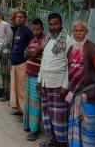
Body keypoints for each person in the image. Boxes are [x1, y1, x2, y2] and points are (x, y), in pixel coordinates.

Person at [66, 20, 95, 147]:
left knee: (88, 130)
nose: (78, 33)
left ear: (86, 32)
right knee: (75, 129)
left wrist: (92, 86)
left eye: (81, 30)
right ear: (72, 32)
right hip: (75, 96)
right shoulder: (71, 49)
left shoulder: (92, 49)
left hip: (88, 97)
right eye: (76, 31)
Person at [37, 13, 72, 147]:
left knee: (59, 117)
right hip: (46, 83)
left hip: (58, 85)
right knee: (48, 115)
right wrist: (40, 80)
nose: (53, 27)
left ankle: (61, 143)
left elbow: (70, 65)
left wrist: (65, 86)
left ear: (61, 24)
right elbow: (44, 61)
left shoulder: (68, 41)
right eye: (50, 24)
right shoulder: (48, 39)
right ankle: (53, 141)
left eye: (55, 24)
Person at [23, 18, 46, 141]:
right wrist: (30, 53)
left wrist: (30, 53)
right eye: (33, 29)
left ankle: (34, 130)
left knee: (35, 104)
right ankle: (27, 125)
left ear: (42, 29)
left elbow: (31, 54)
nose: (35, 31)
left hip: (37, 77)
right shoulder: (33, 40)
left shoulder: (44, 41)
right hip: (29, 74)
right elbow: (25, 53)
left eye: (38, 29)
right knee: (28, 101)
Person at [10, 10, 33, 115]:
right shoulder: (17, 31)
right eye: (17, 17)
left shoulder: (27, 31)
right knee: (16, 88)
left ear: (25, 19)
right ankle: (19, 109)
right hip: (15, 63)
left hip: (23, 64)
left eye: (21, 17)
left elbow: (31, 46)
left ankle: (25, 113)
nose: (19, 18)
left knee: (23, 89)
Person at [0, 9, 13, 102]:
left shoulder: (5, 25)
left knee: (5, 73)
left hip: (4, 51)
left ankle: (5, 93)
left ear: (0, 16)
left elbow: (10, 37)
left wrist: (5, 48)